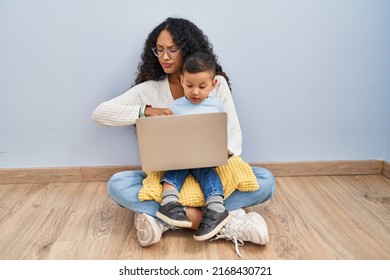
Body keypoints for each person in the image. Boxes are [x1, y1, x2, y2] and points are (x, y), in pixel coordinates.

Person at [92, 17, 275, 251]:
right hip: (169, 179)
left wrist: (227, 152)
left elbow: (234, 132)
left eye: (172, 49)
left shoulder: (215, 85)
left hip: (211, 173)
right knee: (117, 184)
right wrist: (145, 111)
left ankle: (166, 220)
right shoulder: (149, 89)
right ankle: (219, 222)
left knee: (265, 181)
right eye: (159, 49)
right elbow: (99, 113)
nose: (165, 56)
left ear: (187, 50)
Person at [156, 52, 231, 241]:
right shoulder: (175, 106)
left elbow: (221, 133)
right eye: (189, 85)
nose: (195, 91)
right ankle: (169, 204)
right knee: (175, 168)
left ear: (213, 85)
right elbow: (169, 135)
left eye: (202, 86)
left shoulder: (217, 106)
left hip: (205, 156)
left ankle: (216, 208)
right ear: (182, 80)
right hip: (181, 155)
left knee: (207, 171)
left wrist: (224, 149)